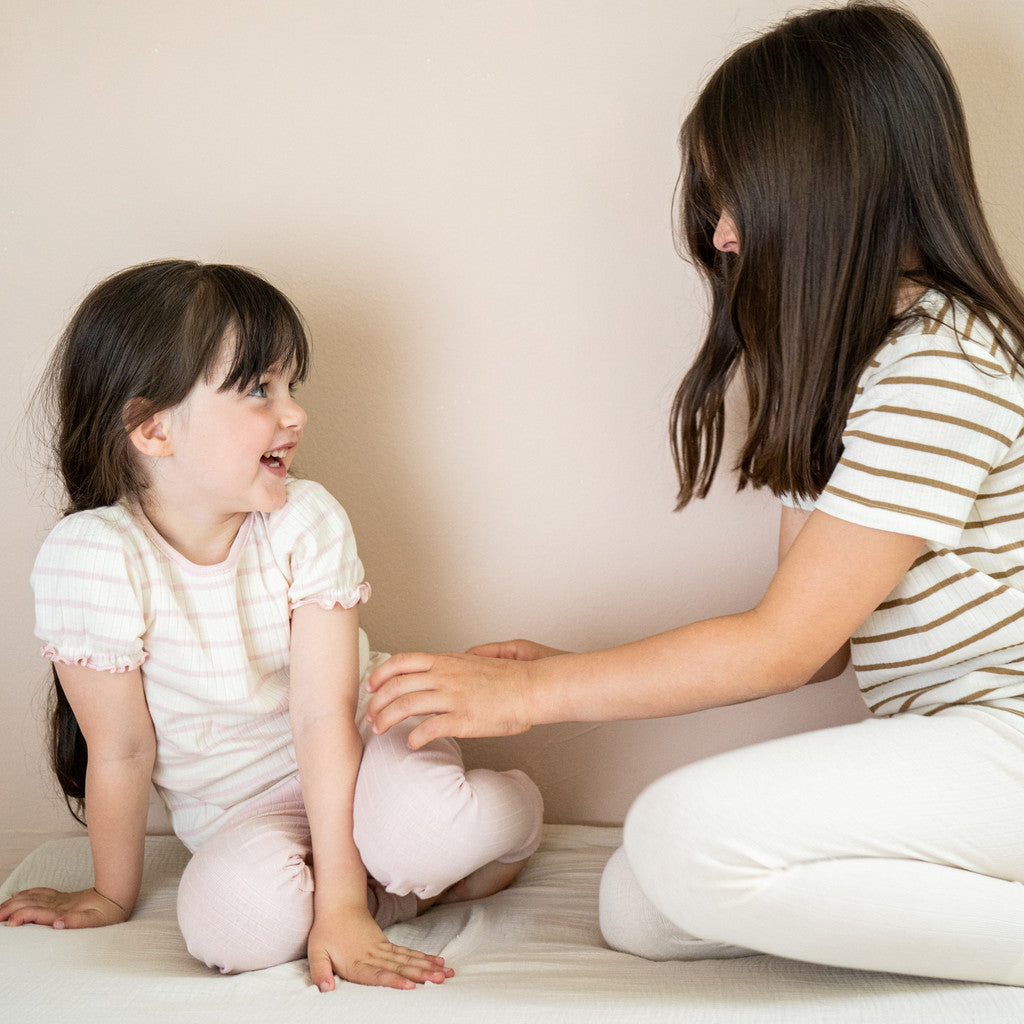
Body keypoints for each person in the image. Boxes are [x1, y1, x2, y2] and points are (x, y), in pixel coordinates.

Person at [365, 2, 1024, 986]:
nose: (720, 234)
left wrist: (534, 693)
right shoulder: (865, 367)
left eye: (738, 196)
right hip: (956, 748)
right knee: (641, 901)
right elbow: (819, 645)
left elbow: (784, 646)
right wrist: (571, 667)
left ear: (829, 183)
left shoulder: (945, 365)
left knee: (677, 833)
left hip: (1005, 742)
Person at [0, 260, 543, 992]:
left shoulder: (303, 520)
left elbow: (323, 718)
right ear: (153, 428)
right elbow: (121, 748)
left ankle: (514, 818)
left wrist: (340, 905)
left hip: (360, 741)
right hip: (243, 808)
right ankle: (387, 894)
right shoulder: (93, 557)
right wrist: (109, 894)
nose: (295, 414)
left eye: (291, 386)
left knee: (422, 834)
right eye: (260, 389)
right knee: (231, 927)